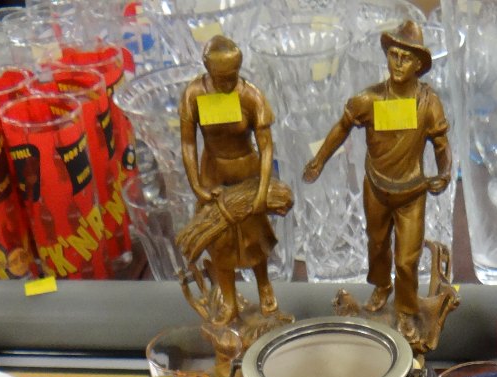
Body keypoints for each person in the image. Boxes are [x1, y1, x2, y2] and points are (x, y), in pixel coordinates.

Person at [302, 20, 451, 340]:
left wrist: (445, 172)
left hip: (412, 194)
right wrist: (319, 160)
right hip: (377, 188)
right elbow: (342, 127)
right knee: (378, 245)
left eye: (406, 57)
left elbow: (441, 144)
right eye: (394, 54)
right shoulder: (368, 100)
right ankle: (383, 286)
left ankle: (408, 310)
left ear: (418, 65)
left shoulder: (428, 103)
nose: (398, 62)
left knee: (408, 259)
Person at [177, 35, 290, 327]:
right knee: (220, 243)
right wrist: (197, 186)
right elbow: (188, 144)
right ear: (208, 70)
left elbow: (266, 147)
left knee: (255, 237)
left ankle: (264, 284)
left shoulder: (250, 96)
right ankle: (228, 298)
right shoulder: (194, 94)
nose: (227, 83)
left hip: (247, 173)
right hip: (213, 175)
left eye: (232, 76)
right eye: (220, 77)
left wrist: (263, 189)